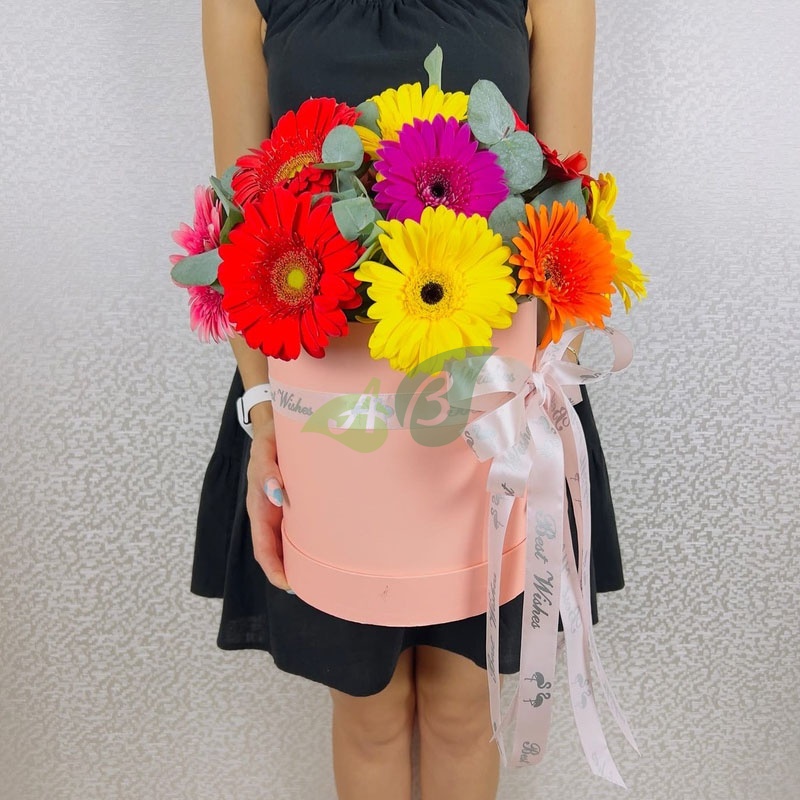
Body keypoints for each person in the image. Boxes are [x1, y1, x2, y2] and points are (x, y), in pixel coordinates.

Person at [192, 1, 625, 798]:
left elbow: (567, 215)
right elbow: (239, 229)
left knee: (465, 707)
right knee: (369, 709)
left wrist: (537, 403)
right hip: (330, 423)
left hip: (490, 414)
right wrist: (262, 419)